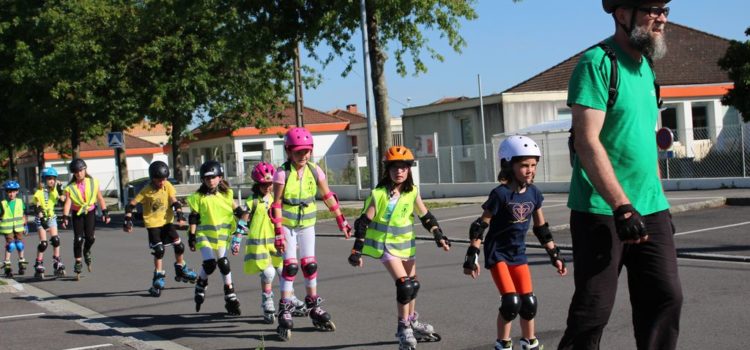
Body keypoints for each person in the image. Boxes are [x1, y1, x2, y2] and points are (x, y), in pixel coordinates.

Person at [558, 1, 682, 349]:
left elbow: (645, 142)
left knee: (665, 298)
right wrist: (622, 206)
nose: (661, 17)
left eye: (665, 10)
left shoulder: (647, 68)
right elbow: (586, 140)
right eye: (652, 9)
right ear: (621, 13)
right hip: (602, 210)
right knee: (592, 313)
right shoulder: (597, 63)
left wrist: (660, 203)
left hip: (650, 208)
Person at [462, 136, 567, 350]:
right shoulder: (500, 194)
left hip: (518, 253)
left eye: (533, 165)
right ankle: (503, 344)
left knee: (528, 303)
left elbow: (541, 228)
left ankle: (530, 343)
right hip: (497, 253)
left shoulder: (534, 193)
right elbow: (481, 225)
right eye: (524, 165)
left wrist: (554, 254)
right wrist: (472, 255)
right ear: (509, 165)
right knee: (511, 303)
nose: (530, 170)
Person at [348, 145, 451, 350]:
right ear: (387, 169)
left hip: (406, 247)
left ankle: (412, 320)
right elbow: (362, 223)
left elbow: (426, 216)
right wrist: (356, 250)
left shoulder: (412, 191)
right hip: (385, 246)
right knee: (404, 285)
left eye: (403, 167)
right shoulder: (379, 194)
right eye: (394, 167)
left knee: (414, 285)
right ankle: (403, 328)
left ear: (409, 169)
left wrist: (439, 235)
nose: (399, 171)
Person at [270, 126, 353, 341]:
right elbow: (276, 204)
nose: (303, 155)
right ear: (289, 151)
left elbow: (327, 195)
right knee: (290, 266)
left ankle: (313, 305)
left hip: (307, 224)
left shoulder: (315, 170)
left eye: (306, 151)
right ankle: (285, 308)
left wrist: (340, 219)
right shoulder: (282, 173)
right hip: (287, 225)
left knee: (310, 264)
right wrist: (278, 231)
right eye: (298, 152)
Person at [123, 161, 197, 297]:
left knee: (179, 246)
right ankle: (158, 277)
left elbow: (174, 201)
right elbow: (131, 205)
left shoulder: (167, 186)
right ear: (152, 179)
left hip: (167, 223)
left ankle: (181, 268)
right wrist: (128, 220)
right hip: (153, 224)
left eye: (164, 179)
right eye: (159, 180)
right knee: (159, 250)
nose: (162, 182)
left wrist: (180, 215)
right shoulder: (146, 190)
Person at [187, 160, 244, 315]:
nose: (210, 181)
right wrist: (192, 236)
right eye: (207, 178)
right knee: (210, 263)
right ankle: (201, 284)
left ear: (220, 177)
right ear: (202, 180)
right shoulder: (198, 197)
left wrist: (245, 217)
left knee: (224, 264)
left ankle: (229, 291)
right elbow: (193, 217)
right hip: (204, 235)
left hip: (221, 236)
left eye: (213, 177)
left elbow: (237, 210)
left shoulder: (226, 194)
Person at [61, 159, 111, 280]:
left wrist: (105, 212)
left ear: (85, 170)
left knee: (90, 238)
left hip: (90, 212)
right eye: (76, 172)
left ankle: (86, 250)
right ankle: (78, 262)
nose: (79, 174)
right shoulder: (70, 187)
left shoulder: (93, 182)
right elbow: (67, 203)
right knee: (78, 239)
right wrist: (65, 217)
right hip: (77, 213)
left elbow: (100, 198)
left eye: (81, 170)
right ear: (73, 173)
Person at [31, 167, 67, 278]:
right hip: (41, 218)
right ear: (44, 180)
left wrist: (61, 190)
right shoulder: (39, 192)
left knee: (56, 240)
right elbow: (37, 208)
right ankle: (39, 263)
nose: (52, 181)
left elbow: (63, 199)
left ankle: (57, 262)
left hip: (51, 218)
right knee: (44, 243)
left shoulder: (55, 191)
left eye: (53, 179)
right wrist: (42, 221)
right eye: (49, 179)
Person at [1, 180, 29, 278]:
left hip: (19, 227)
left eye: (13, 191)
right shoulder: (3, 203)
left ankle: (21, 261)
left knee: (20, 245)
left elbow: (23, 214)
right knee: (11, 246)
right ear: (6, 192)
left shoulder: (20, 202)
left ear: (17, 191)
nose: (11, 194)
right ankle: (7, 265)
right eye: (9, 191)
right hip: (8, 229)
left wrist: (25, 225)